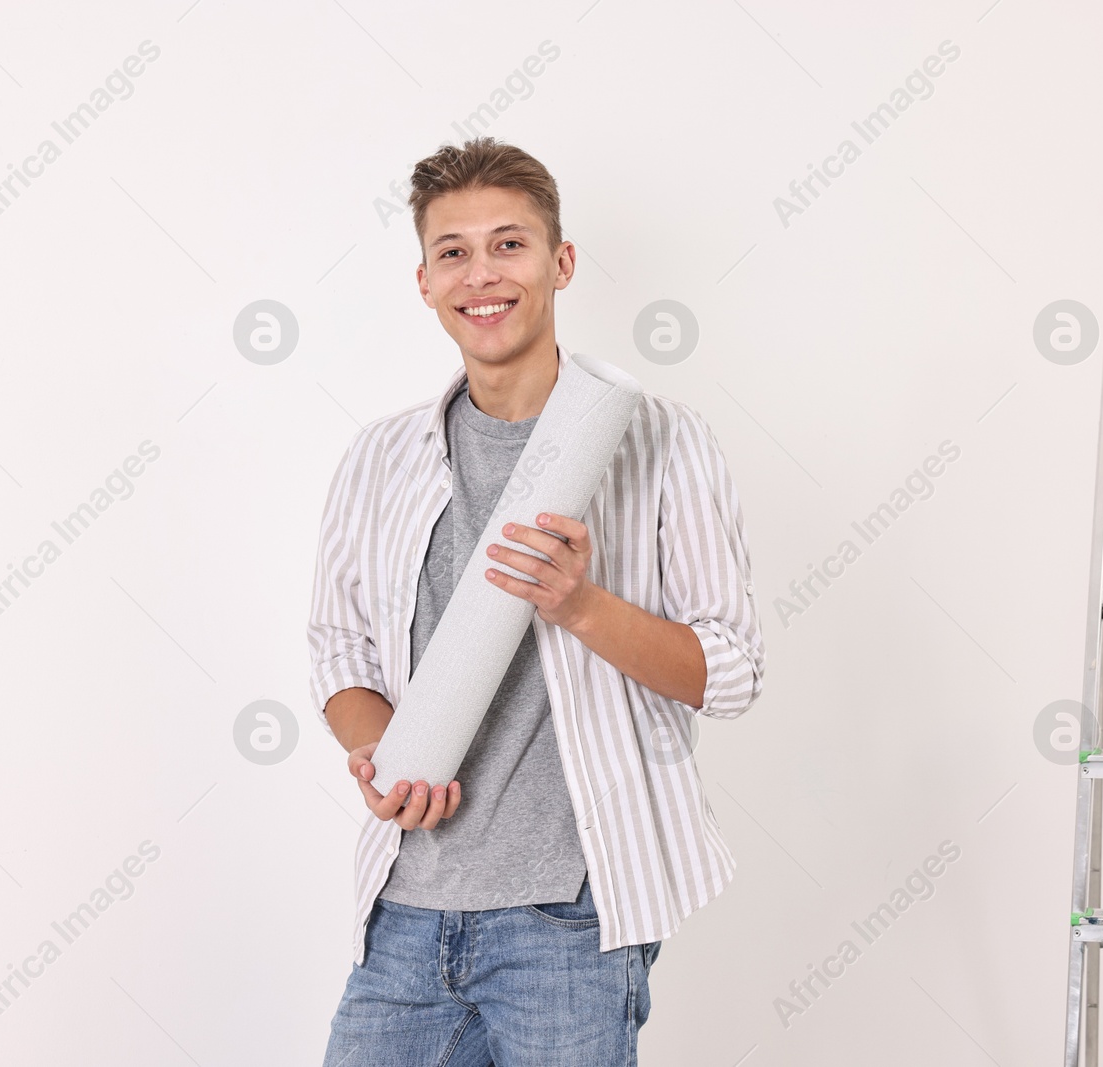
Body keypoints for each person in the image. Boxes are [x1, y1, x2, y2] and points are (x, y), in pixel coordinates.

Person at [308, 136, 765, 1066]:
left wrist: (582, 605)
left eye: (510, 244)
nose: (484, 274)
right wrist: (375, 747)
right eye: (454, 252)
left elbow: (732, 671)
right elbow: (339, 649)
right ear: (427, 282)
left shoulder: (661, 445)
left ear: (559, 263)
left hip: (570, 923)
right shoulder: (381, 458)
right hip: (403, 911)